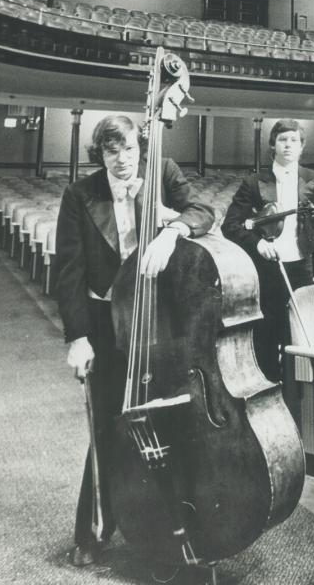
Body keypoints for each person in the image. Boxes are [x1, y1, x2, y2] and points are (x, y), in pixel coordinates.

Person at [54, 113, 215, 568]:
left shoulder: (162, 171)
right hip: (107, 320)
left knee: (175, 418)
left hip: (160, 319)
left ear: (140, 147)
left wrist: (174, 229)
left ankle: (182, 519)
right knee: (107, 421)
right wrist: (79, 337)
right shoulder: (80, 194)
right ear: (99, 154)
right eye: (110, 150)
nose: (121, 159)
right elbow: (68, 271)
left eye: (127, 148)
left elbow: (203, 211)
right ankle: (94, 530)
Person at [221, 119, 314, 383]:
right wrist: (258, 243)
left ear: (302, 146)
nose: (288, 145)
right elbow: (230, 226)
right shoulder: (254, 182)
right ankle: (270, 392)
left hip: (301, 270)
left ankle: (298, 396)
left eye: (294, 140)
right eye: (283, 140)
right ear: (273, 145)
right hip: (266, 271)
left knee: (299, 338)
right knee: (267, 336)